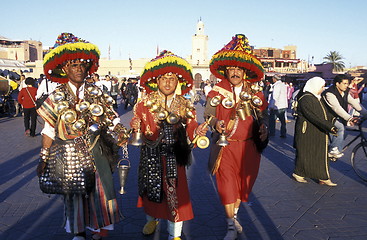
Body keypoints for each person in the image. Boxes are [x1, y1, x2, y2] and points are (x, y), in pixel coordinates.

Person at [36, 33, 130, 240]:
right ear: (64, 69)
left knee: (100, 192)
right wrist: (43, 157)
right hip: (68, 155)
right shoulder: (54, 98)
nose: (79, 69)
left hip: (97, 152)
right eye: (73, 65)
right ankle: (78, 233)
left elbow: (112, 119)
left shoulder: (97, 93)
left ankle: (99, 230)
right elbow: (49, 130)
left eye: (82, 65)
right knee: (74, 197)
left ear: (88, 68)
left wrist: (121, 132)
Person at [130, 50, 208, 240]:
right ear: (156, 81)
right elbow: (137, 127)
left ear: (178, 82)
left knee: (176, 195)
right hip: (150, 155)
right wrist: (135, 126)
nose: (167, 83)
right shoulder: (144, 103)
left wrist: (197, 132)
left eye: (172, 79)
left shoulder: (185, 105)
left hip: (174, 155)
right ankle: (151, 219)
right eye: (163, 79)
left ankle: (175, 235)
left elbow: (191, 126)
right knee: (150, 190)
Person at [204, 34, 269, 240]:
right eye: (231, 69)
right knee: (226, 185)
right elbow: (208, 115)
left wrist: (264, 127)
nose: (235, 72)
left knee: (243, 185)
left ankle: (234, 217)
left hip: (249, 148)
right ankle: (230, 224)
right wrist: (216, 123)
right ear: (226, 71)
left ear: (244, 71)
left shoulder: (255, 93)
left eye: (238, 69)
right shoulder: (216, 92)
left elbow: (263, 115)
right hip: (225, 146)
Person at [292, 77, 338, 186]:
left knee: (319, 153)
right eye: (321, 86)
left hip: (317, 130)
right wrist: (329, 126)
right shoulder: (305, 98)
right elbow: (312, 116)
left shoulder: (317, 97)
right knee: (305, 154)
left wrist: (334, 120)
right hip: (307, 131)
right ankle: (299, 174)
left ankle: (322, 177)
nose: (323, 89)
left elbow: (326, 112)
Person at [322, 74, 367, 159]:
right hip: (327, 116)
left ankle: (333, 147)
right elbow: (337, 108)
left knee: (345, 130)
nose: (347, 85)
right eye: (344, 83)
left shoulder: (345, 93)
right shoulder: (329, 93)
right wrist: (350, 118)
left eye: (347, 83)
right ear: (337, 84)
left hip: (338, 117)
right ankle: (333, 150)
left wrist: (365, 113)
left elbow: (354, 103)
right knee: (340, 127)